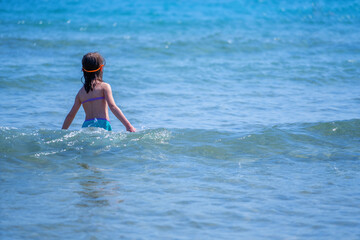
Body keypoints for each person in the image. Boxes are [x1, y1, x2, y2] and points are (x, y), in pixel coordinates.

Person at [62, 52, 136, 132]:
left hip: (86, 126)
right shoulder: (104, 87)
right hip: (102, 124)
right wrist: (128, 126)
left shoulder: (81, 93)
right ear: (101, 68)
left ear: (83, 70)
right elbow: (113, 107)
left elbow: (71, 115)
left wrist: (62, 131)